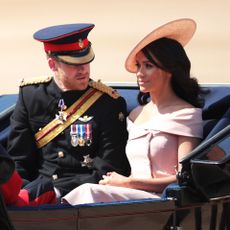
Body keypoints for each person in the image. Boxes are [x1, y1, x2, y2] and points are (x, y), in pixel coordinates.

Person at [62, 18, 204, 205]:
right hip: (131, 199)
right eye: (138, 66)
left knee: (88, 193)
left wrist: (128, 182)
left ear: (169, 70)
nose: (139, 73)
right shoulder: (135, 115)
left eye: (148, 66)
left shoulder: (186, 114)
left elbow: (184, 179)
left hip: (163, 201)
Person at [7, 23, 130, 206]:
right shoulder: (31, 95)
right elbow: (18, 159)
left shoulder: (108, 103)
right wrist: (25, 197)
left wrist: (55, 191)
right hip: (35, 200)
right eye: (74, 64)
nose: (84, 70)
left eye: (86, 61)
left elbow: (109, 171)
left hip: (83, 200)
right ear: (52, 64)